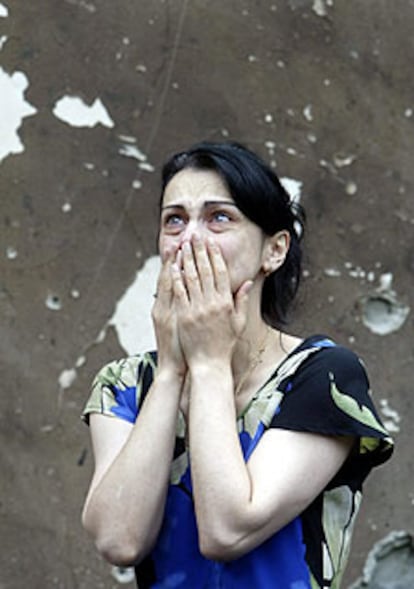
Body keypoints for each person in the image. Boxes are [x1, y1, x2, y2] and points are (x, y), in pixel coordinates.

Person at [81, 141, 393, 589]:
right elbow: (118, 541)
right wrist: (171, 372)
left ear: (275, 250)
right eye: (175, 220)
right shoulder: (126, 383)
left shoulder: (323, 376)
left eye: (218, 217)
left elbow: (228, 530)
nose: (190, 238)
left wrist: (208, 364)